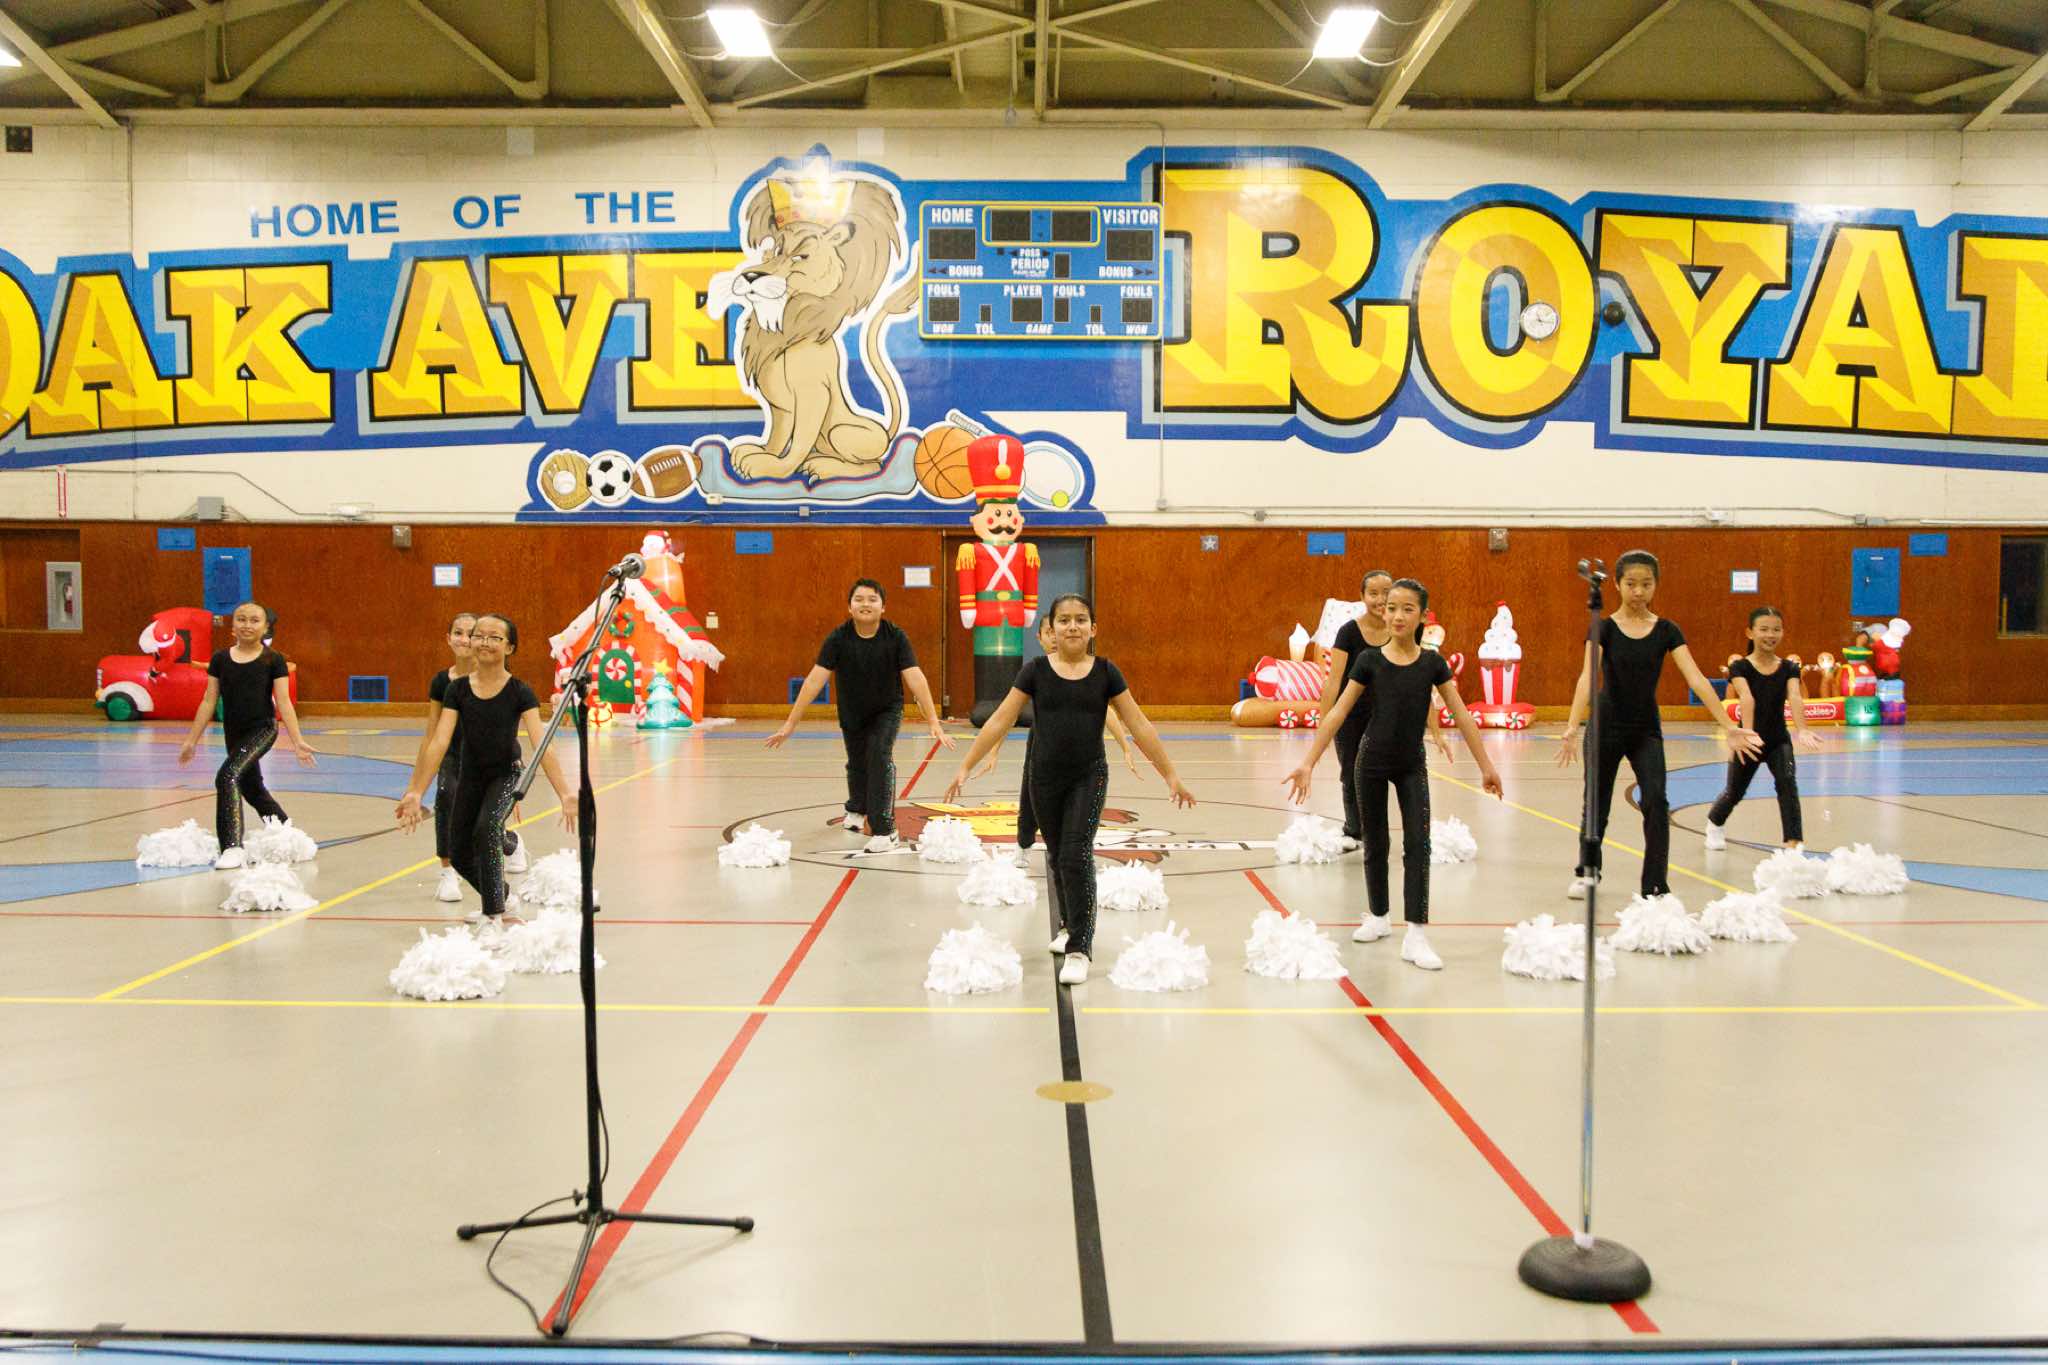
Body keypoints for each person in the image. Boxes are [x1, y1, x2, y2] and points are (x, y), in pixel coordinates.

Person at [944, 594, 1195, 986]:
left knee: (1076, 852)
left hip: (1088, 776)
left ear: (1093, 628)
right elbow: (1000, 720)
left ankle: (1080, 946)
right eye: (1064, 620)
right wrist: (965, 766)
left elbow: (1139, 725)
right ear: (1051, 628)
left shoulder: (1107, 673)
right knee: (1059, 855)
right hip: (1044, 778)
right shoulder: (1034, 672)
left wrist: (1171, 775)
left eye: (1080, 620)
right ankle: (1067, 924)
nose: (1072, 626)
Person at [1285, 579, 1503, 970]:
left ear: (1422, 617)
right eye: (1392, 608)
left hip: (1411, 764)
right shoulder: (1369, 661)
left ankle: (1416, 935)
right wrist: (1308, 761)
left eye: (1407, 609)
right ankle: (1379, 915)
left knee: (1419, 844)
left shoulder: (1432, 664)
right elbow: (1338, 711)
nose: (1397, 616)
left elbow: (1462, 715)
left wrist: (1487, 766)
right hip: (1370, 761)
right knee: (1377, 843)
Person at [1558, 551, 1762, 900]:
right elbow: (1587, 677)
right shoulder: (1603, 627)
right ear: (1618, 585)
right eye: (1631, 584)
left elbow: (1696, 679)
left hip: (1645, 729)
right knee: (1596, 803)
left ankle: (1655, 885)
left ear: (1656, 585)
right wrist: (1572, 727)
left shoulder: (1667, 630)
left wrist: (1729, 726)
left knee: (1656, 801)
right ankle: (1588, 870)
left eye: (1646, 584)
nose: (1638, 591)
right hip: (1606, 726)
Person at [396, 614, 573, 925]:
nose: (484, 642)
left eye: (494, 638)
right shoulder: (457, 690)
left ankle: (494, 917)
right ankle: (502, 897)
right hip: (471, 776)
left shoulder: (520, 692)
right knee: (458, 851)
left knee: (487, 829)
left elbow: (542, 745)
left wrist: (566, 794)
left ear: (510, 647)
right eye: (479, 636)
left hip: (506, 775)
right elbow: (439, 741)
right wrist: (416, 791)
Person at [767, 579, 952, 853]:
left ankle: (885, 829)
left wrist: (933, 721)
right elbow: (814, 681)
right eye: (859, 599)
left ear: (883, 607)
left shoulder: (896, 637)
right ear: (849, 607)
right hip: (852, 710)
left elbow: (915, 677)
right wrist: (790, 723)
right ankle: (856, 809)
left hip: (886, 709)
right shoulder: (838, 639)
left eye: (872, 599)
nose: (866, 604)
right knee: (856, 762)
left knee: (879, 756)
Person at [1310, 569, 1450, 850]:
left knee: (1394, 774)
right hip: (1351, 715)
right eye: (1373, 593)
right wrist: (1323, 727)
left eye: (1386, 593)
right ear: (1362, 597)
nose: (1380, 599)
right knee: (1351, 772)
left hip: (1388, 716)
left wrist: (1435, 730)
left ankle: (1397, 833)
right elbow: (1333, 682)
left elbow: (1422, 684)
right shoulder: (1348, 632)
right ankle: (1354, 830)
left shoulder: (1404, 630)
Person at [977, 613, 1139, 850]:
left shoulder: (1088, 672)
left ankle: (1068, 849)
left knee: (1075, 805)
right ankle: (1024, 843)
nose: (1055, 638)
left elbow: (1108, 713)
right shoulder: (1035, 672)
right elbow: (1006, 717)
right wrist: (993, 751)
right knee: (1029, 799)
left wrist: (1125, 746)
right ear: (1041, 637)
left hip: (1081, 750)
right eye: (1049, 633)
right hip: (1043, 745)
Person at [178, 600, 316, 870]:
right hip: (233, 732)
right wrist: (191, 740)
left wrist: (298, 741)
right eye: (241, 619)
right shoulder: (220, 659)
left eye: (254, 620)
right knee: (252, 789)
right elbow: (208, 700)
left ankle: (231, 847)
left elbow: (284, 702)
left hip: (262, 729)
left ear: (265, 627)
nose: (247, 625)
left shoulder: (273, 660)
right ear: (233, 626)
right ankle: (286, 833)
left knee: (227, 776)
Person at [416, 612, 525, 903]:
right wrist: (415, 788)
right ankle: (448, 872)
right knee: (445, 796)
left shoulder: (499, 681)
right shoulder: (445, 684)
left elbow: (509, 735)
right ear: (448, 638)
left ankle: (510, 844)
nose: (464, 639)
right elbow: (433, 736)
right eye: (458, 633)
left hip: (489, 763)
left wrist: (512, 785)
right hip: (455, 758)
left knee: (485, 825)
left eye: (471, 633)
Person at [1705, 606, 1822, 850]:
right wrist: (1748, 734)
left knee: (1787, 783)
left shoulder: (1789, 668)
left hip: (1778, 739)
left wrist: (1802, 729)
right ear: (1750, 632)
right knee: (1735, 792)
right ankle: (1715, 822)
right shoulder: (1740, 667)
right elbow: (1747, 697)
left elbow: (1795, 696)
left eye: (1776, 630)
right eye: (1764, 629)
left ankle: (1793, 843)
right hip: (1748, 739)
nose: (1771, 635)